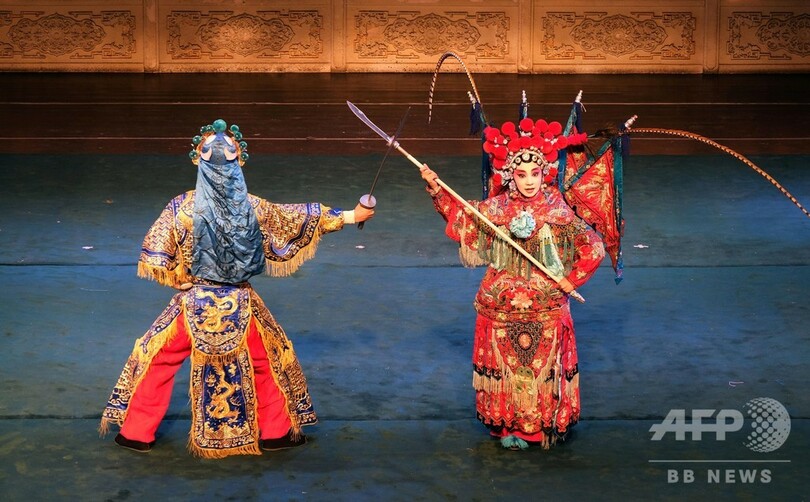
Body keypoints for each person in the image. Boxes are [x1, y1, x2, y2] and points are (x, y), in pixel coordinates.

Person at [100, 119, 374, 458]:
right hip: (241, 303)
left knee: (157, 358)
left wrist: (178, 280)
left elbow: (156, 255)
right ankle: (276, 432)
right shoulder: (252, 207)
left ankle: (136, 432)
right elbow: (293, 218)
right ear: (239, 159)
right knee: (267, 361)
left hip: (193, 303)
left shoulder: (181, 207)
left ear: (196, 158)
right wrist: (351, 215)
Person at [419, 117, 604, 450]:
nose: (529, 181)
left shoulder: (557, 210)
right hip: (499, 305)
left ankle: (544, 425)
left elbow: (593, 247)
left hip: (546, 305)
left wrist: (570, 280)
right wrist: (436, 188)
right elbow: (463, 217)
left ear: (545, 172)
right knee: (507, 370)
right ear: (510, 175)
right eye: (521, 174)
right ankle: (509, 427)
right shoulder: (496, 208)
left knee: (541, 370)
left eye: (535, 173)